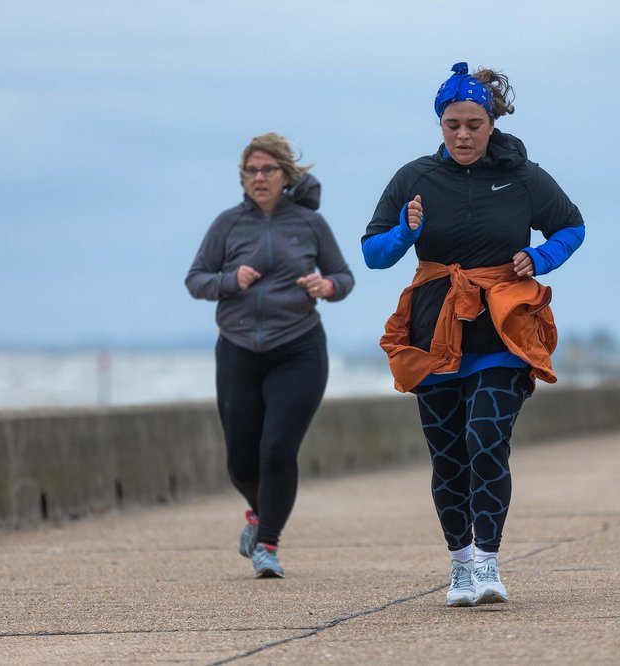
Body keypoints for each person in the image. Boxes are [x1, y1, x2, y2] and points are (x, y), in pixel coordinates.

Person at [362, 62, 586, 606]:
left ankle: (488, 561)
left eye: (474, 124)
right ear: (440, 123)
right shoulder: (414, 178)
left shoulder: (525, 176)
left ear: (492, 122)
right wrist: (405, 232)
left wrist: (540, 256)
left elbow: (572, 226)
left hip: (501, 331)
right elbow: (373, 254)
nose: (462, 135)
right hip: (434, 330)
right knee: (447, 455)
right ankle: (460, 566)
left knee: (486, 439)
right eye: (452, 124)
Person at [186, 132, 354, 578]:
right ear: (242, 177)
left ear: (285, 174)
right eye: (251, 170)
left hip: (298, 347)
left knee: (277, 450)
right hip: (238, 348)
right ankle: (261, 515)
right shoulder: (227, 224)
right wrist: (229, 280)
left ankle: (267, 545)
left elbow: (343, 276)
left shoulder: (309, 224)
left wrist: (327, 287)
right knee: (241, 460)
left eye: (268, 170)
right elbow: (195, 279)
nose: (259, 177)